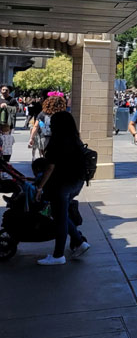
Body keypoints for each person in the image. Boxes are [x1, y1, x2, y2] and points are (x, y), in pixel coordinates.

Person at [35, 111, 90, 265]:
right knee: (61, 215)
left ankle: (58, 255)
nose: (51, 125)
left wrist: (40, 187)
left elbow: (50, 168)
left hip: (61, 185)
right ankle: (79, 242)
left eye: (53, 123)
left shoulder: (56, 142)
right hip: (75, 183)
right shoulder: (75, 140)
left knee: (59, 219)